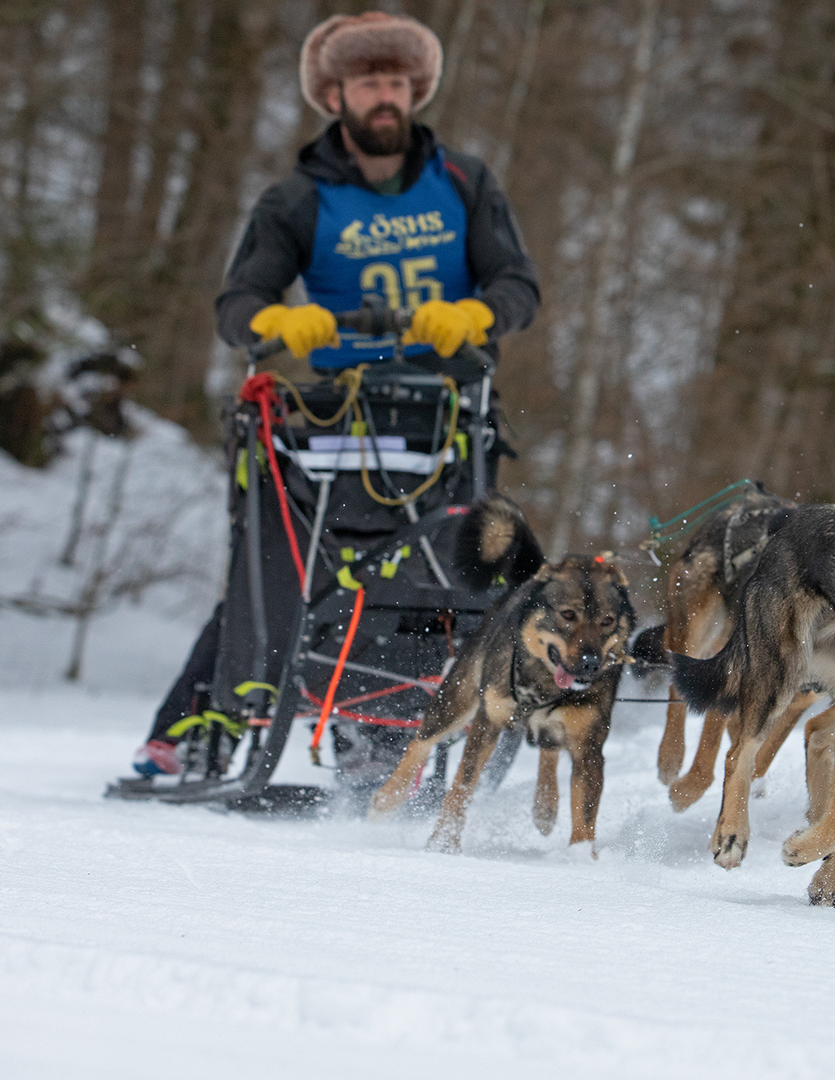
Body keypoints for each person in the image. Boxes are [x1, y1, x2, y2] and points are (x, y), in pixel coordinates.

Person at [133, 11, 540, 776]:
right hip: (335, 416)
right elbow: (236, 309)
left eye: (397, 82)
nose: (385, 96)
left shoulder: (464, 182)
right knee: (279, 569)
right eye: (368, 82)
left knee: (441, 579)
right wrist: (285, 320)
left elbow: (519, 286)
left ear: (415, 91)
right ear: (335, 94)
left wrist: (476, 314)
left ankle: (410, 734)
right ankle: (202, 721)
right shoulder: (296, 199)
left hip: (445, 416)